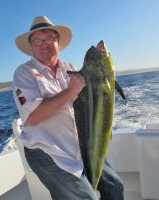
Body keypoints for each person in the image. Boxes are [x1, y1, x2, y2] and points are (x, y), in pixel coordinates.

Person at [12, 15, 124, 200]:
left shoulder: (71, 68)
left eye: (49, 39)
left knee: (115, 186)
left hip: (81, 145)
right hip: (47, 151)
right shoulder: (24, 73)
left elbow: (97, 91)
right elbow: (33, 116)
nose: (44, 45)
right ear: (31, 46)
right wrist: (71, 90)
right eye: (37, 41)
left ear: (57, 41)